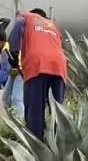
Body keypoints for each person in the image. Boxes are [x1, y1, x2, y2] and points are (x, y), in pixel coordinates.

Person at [8, 8, 67, 139]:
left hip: (37, 63)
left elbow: (15, 32)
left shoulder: (25, 17)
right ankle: (58, 145)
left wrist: (14, 53)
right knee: (57, 111)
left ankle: (36, 146)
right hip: (59, 65)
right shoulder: (53, 26)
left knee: (35, 109)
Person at [0, 29, 24, 120]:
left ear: (3, 41)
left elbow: (5, 67)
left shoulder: (7, 49)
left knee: (16, 98)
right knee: (6, 98)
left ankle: (21, 121)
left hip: (21, 71)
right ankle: (12, 120)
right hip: (13, 72)